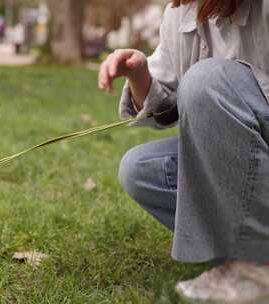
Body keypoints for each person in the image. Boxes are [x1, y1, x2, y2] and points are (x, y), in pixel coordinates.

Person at [98, 0, 269, 302]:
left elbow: (206, 89)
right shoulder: (179, 14)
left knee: (207, 80)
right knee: (141, 169)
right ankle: (242, 251)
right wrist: (139, 74)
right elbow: (165, 105)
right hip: (247, 167)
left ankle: (257, 267)